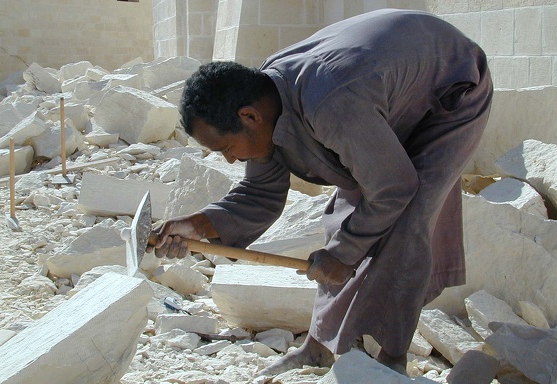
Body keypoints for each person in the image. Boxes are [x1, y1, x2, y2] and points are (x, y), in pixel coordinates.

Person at [149, 8, 493, 376]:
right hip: (386, 88)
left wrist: (343, 254)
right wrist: (199, 226)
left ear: (249, 117)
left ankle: (391, 359)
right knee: (348, 225)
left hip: (451, 89)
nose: (231, 160)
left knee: (407, 220)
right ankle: (318, 348)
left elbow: (394, 188)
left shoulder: (330, 101)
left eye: (226, 149)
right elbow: (261, 191)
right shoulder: (268, 100)